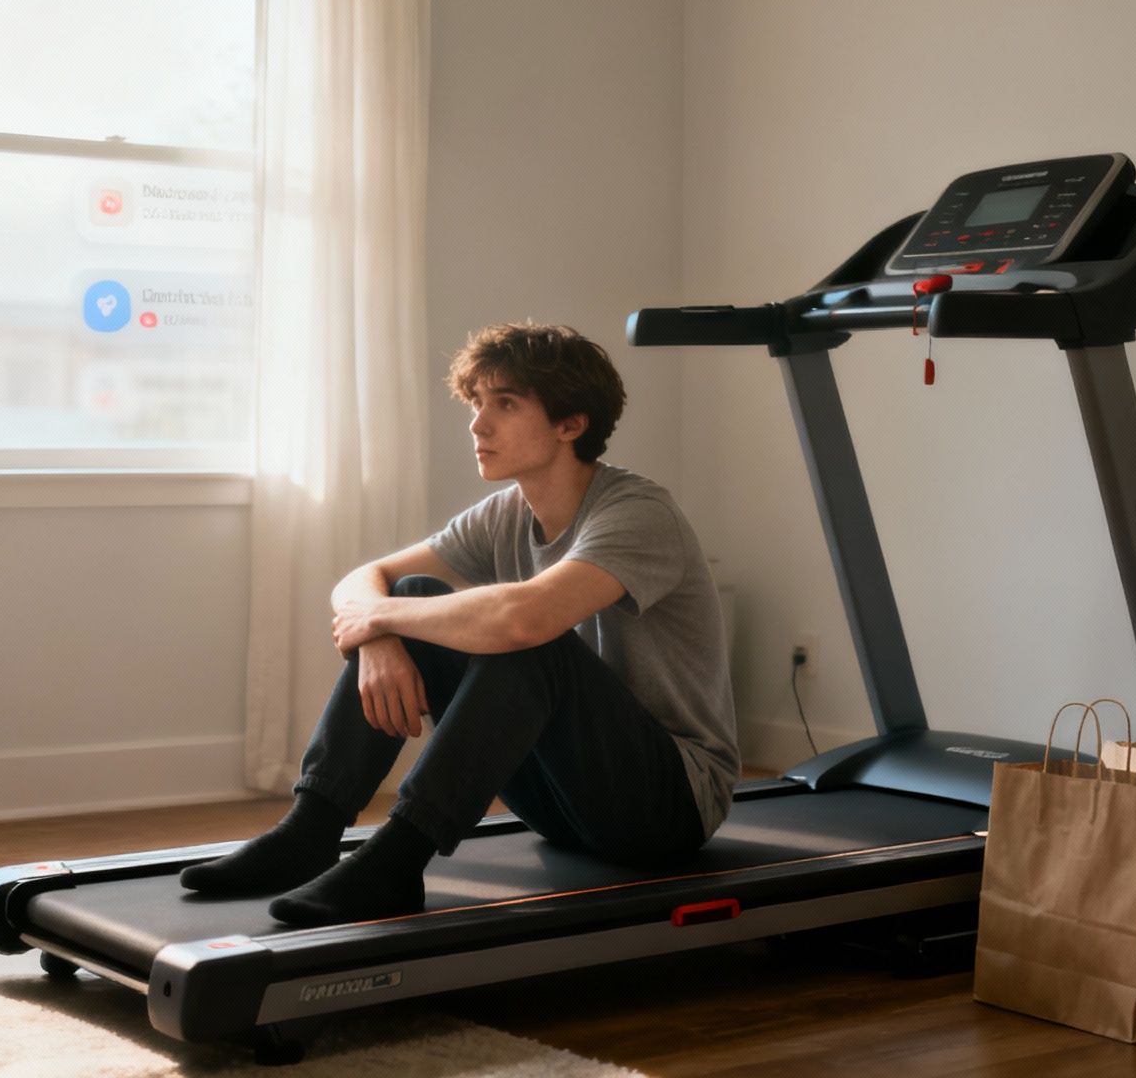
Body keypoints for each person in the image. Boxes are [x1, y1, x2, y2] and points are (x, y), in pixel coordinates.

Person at [182, 321, 736, 926]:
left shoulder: (637, 512)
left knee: (527, 636)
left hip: (667, 804)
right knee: (419, 593)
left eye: (505, 405)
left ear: (570, 424)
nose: (478, 424)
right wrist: (381, 638)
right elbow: (363, 578)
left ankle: (397, 860)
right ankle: (309, 831)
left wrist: (379, 616)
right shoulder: (505, 513)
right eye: (477, 404)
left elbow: (524, 619)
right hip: (561, 800)